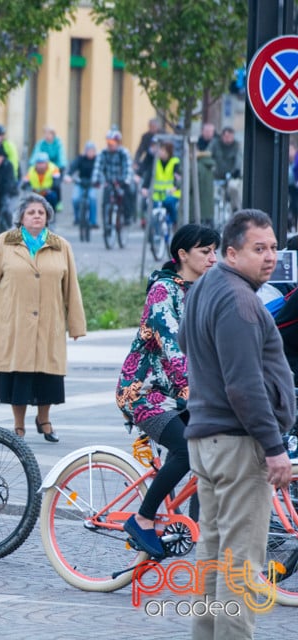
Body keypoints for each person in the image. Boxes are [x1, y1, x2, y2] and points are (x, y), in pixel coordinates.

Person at [177, 210, 295, 639]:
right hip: (238, 443)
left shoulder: (207, 285)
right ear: (231, 252)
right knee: (241, 561)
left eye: (273, 248)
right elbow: (244, 387)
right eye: (258, 249)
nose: (270, 258)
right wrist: (274, 446)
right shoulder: (242, 302)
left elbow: (188, 343)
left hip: (207, 440)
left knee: (213, 552)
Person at [115, 224, 220, 556]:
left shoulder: (201, 290)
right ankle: (143, 520)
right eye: (206, 251)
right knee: (187, 451)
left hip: (182, 393)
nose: (213, 258)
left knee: (213, 450)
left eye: (215, 251)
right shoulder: (163, 291)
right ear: (183, 255)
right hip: (144, 392)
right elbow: (172, 348)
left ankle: (201, 532)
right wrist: (196, 387)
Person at [0, 194, 86, 441]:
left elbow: (71, 289)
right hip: (13, 323)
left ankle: (44, 420)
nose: (37, 216)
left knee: (48, 376)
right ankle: (18, 425)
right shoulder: (3, 243)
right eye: (31, 212)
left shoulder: (60, 246)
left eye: (41, 213)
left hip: (50, 322)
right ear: (21, 218)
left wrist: (76, 324)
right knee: (19, 377)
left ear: (47, 218)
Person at [92, 129, 135, 225]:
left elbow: (128, 168)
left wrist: (126, 180)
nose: (110, 144)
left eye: (112, 142)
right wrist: (96, 180)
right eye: (108, 142)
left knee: (127, 194)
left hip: (121, 180)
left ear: (118, 142)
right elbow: (97, 168)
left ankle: (127, 216)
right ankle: (106, 219)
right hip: (109, 181)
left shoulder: (124, 153)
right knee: (106, 198)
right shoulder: (103, 153)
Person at [142, 139, 181, 225]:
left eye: (162, 150)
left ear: (168, 151)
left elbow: (178, 178)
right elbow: (149, 175)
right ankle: (152, 229)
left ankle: (175, 223)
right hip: (157, 194)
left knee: (170, 204)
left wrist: (175, 187)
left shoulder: (175, 162)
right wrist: (144, 187)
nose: (159, 152)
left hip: (171, 194)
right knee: (152, 209)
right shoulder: (155, 161)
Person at [64, 141, 98, 228]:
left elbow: (102, 171)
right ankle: (77, 218)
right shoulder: (80, 158)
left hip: (92, 183)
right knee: (75, 199)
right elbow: (73, 167)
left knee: (92, 198)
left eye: (92, 150)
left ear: (95, 151)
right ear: (85, 151)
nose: (90, 152)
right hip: (80, 182)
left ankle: (93, 221)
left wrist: (100, 180)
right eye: (88, 150)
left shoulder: (97, 160)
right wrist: (68, 176)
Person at [210, 126, 242, 212]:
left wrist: (236, 171)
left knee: (234, 188)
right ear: (222, 136)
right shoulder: (215, 144)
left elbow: (238, 160)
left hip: (231, 176)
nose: (229, 139)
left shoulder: (236, 146)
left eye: (231, 136)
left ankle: (236, 211)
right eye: (227, 136)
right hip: (216, 176)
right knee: (210, 191)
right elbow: (208, 155)